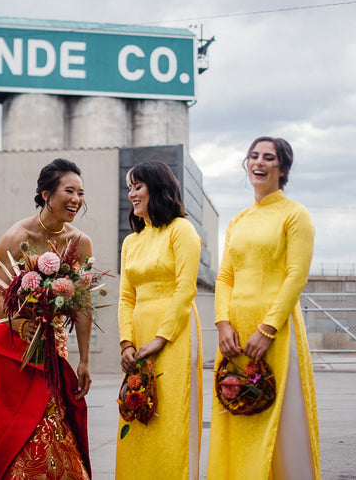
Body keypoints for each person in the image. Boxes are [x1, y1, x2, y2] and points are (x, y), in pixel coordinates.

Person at [207, 137, 320, 480]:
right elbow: (225, 275)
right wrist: (223, 322)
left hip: (276, 330)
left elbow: (295, 277)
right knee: (237, 410)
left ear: (282, 169)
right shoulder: (238, 220)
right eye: (253, 156)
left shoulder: (295, 215)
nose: (259, 162)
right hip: (236, 332)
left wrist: (268, 328)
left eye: (268, 157)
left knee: (281, 416)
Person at [0, 158, 93, 479]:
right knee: (13, 419)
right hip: (17, 344)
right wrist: (19, 323)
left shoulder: (81, 243)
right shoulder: (16, 237)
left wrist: (83, 360)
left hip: (55, 343)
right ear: (45, 194)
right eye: (69, 191)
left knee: (53, 416)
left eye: (80, 193)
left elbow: (83, 305)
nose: (76, 200)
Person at [117, 161, 203, 479]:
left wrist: (161, 337)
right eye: (130, 187)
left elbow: (186, 288)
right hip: (139, 335)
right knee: (137, 413)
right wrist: (126, 341)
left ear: (158, 188)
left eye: (137, 186)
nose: (132, 194)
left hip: (175, 335)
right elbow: (126, 297)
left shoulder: (182, 231)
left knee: (170, 418)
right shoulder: (131, 242)